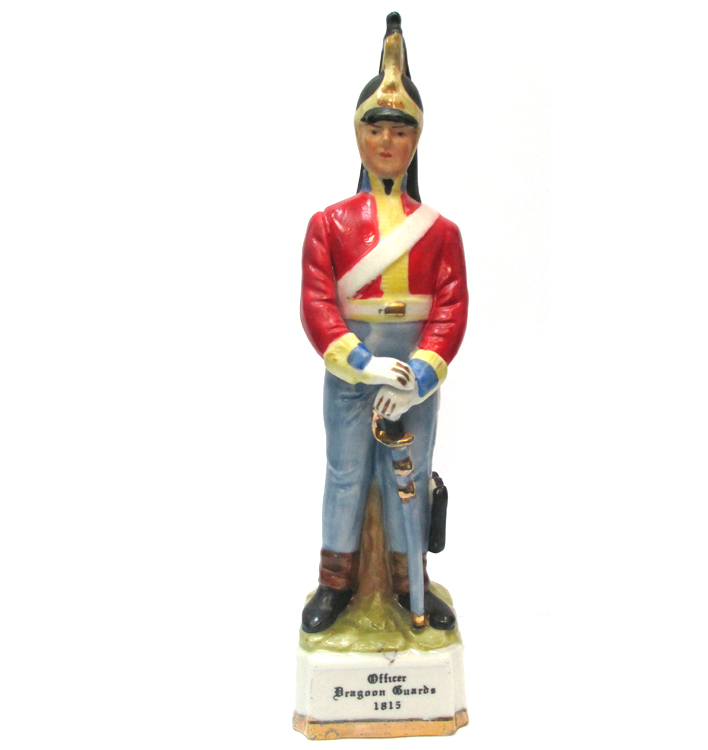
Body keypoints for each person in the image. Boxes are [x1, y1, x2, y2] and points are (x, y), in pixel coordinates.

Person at [300, 13, 468, 633]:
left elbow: (450, 308)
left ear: (415, 140)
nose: (387, 141)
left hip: (413, 369)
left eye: (400, 130)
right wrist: (363, 363)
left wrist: (417, 377)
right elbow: (318, 303)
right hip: (353, 366)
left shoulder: (441, 232)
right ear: (359, 136)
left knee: (411, 479)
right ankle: (335, 583)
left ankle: (406, 583)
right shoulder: (328, 225)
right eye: (376, 128)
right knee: (345, 474)